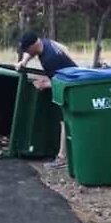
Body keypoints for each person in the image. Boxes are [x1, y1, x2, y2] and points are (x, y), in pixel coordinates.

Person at [15, 32, 78, 167]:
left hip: (72, 86)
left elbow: (62, 82)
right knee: (65, 121)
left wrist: (45, 84)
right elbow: (31, 52)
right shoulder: (44, 43)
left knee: (66, 121)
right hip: (67, 77)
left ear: (33, 45)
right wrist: (24, 61)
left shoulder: (50, 59)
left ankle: (62, 158)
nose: (26, 52)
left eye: (26, 49)